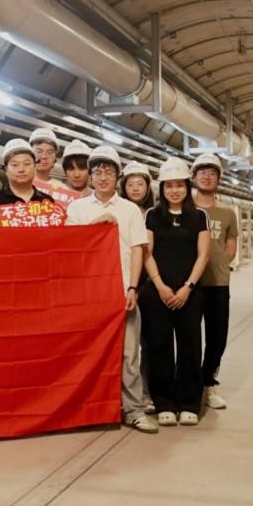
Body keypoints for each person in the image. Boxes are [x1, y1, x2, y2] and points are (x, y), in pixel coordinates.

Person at [66, 146, 157, 434]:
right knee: (90, 354)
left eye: (108, 171)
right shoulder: (77, 208)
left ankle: (133, 410)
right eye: (97, 172)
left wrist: (132, 287)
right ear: (90, 176)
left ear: (117, 176)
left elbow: (137, 250)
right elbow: (70, 246)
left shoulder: (130, 210)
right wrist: (96, 225)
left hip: (122, 292)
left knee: (129, 355)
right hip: (89, 295)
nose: (103, 177)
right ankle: (93, 410)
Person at [140, 157, 210, 427]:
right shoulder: (152, 215)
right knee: (160, 346)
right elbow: (147, 252)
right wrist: (159, 285)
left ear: (187, 187)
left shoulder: (199, 216)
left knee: (190, 345)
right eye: (169, 186)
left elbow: (203, 255)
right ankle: (164, 402)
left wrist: (187, 287)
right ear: (162, 189)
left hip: (189, 292)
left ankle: (189, 402)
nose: (174, 191)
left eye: (179, 185)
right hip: (158, 291)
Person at [191, 153, 238, 410]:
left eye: (212, 173)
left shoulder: (227, 213)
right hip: (189, 284)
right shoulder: (185, 208)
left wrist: (218, 265)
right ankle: (189, 386)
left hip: (218, 283)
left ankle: (208, 383)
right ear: (194, 176)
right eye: (202, 172)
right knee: (189, 338)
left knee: (217, 337)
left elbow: (231, 247)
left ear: (218, 179)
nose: (207, 177)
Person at [120, 160, 156, 412]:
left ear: (148, 187)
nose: (135, 188)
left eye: (140, 183)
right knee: (128, 345)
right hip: (126, 282)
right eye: (130, 184)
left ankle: (146, 391)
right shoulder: (120, 211)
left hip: (148, 282)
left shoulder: (154, 213)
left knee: (149, 341)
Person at [0, 138, 55, 225]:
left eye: (27, 164)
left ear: (35, 167)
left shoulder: (47, 201)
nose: (21, 169)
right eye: (15, 165)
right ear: (6, 170)